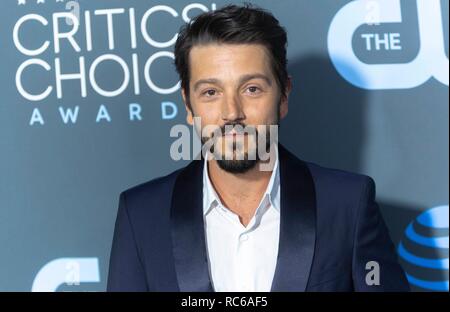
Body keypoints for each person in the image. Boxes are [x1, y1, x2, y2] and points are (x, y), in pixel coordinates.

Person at [107, 4, 409, 292]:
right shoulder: (142, 216)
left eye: (251, 89)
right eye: (211, 92)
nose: (232, 112)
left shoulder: (347, 205)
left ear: (283, 95)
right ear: (188, 104)